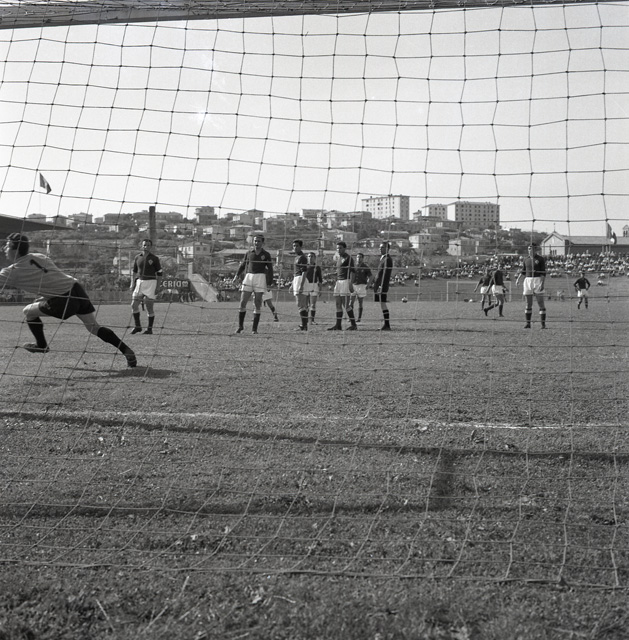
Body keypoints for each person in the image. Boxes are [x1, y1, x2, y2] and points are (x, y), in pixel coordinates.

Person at [0, 233, 136, 367]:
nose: (4, 249)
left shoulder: (11, 272)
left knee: (28, 311)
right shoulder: (40, 256)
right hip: (76, 289)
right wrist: (47, 295)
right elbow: (52, 279)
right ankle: (126, 350)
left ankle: (41, 345)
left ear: (15, 250)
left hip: (63, 300)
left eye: (6, 246)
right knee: (94, 327)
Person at [234, 234, 274, 334]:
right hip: (249, 277)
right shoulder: (248, 253)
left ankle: (254, 329)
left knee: (257, 303)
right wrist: (236, 275)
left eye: (259, 241)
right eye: (255, 241)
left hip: (260, 278)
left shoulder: (266, 254)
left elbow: (270, 269)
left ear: (262, 243)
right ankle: (240, 326)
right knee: (242, 302)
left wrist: (269, 283)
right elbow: (243, 265)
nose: (256, 243)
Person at [130, 238, 162, 335]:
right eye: (144, 245)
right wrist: (132, 283)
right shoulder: (137, 257)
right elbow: (134, 272)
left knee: (149, 307)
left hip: (151, 283)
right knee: (134, 305)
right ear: (141, 246)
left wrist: (158, 286)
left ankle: (149, 329)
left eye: (148, 245)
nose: (146, 247)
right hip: (140, 282)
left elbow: (160, 274)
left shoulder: (154, 258)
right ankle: (138, 326)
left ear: (151, 247)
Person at [515, 243, 547, 329]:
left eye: (531, 248)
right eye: (529, 248)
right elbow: (523, 271)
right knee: (528, 303)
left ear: (535, 249)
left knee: (540, 303)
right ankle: (528, 323)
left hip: (537, 280)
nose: (529, 250)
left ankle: (543, 324)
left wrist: (542, 283)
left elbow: (543, 272)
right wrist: (518, 279)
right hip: (528, 280)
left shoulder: (540, 259)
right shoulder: (526, 259)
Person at [327, 241, 358, 331]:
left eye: (340, 248)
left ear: (344, 248)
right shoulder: (339, 258)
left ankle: (354, 325)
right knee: (338, 304)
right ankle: (338, 325)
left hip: (345, 281)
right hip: (338, 282)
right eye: (337, 248)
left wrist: (350, 283)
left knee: (346, 304)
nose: (338, 250)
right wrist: (332, 274)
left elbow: (353, 272)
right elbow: (340, 271)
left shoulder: (348, 258)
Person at [373, 242, 393, 331]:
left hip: (382, 285)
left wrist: (381, 286)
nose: (380, 249)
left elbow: (385, 274)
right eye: (380, 247)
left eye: (382, 247)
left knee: (383, 303)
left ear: (387, 249)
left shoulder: (387, 259)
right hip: (379, 285)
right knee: (382, 304)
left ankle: (387, 325)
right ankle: (386, 324)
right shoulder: (383, 259)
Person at [300, 252, 323, 324]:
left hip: (314, 285)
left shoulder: (317, 267)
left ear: (314, 258)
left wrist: (320, 289)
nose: (310, 258)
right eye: (309, 256)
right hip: (306, 285)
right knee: (305, 304)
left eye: (312, 256)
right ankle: (306, 320)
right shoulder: (305, 266)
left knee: (313, 304)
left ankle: (312, 320)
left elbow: (320, 279)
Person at [349, 252, 373, 323]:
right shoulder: (353, 266)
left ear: (363, 258)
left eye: (360, 257)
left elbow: (371, 276)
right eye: (357, 257)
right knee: (351, 302)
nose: (358, 258)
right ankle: (351, 318)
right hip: (354, 285)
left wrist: (368, 284)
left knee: (360, 302)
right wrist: (350, 283)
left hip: (362, 285)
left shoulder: (365, 267)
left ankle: (359, 318)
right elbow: (350, 275)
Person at [291, 239, 309, 331]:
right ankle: (304, 325)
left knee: (300, 303)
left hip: (300, 279)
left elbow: (304, 272)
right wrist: (292, 284)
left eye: (297, 246)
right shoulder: (296, 257)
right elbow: (295, 272)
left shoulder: (302, 257)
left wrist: (301, 285)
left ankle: (304, 325)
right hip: (296, 279)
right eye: (294, 246)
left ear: (301, 247)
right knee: (301, 304)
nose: (295, 247)